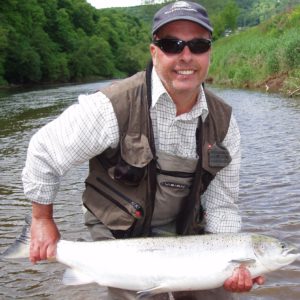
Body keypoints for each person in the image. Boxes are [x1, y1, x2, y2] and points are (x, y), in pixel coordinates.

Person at [22, 1, 264, 299]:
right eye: (171, 44)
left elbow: (222, 203)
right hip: (120, 231)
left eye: (198, 45)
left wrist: (227, 262)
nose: (185, 56)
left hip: (184, 230)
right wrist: (41, 220)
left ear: (209, 53)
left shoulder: (224, 123)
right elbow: (43, 151)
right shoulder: (111, 106)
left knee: (214, 292)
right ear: (154, 52)